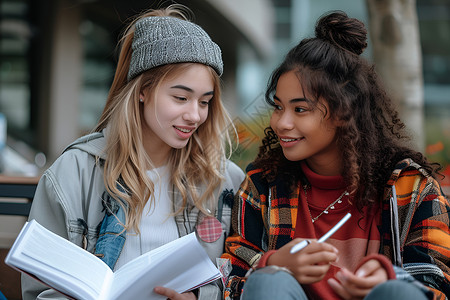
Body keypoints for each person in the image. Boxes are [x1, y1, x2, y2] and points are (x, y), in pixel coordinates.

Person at [222, 11, 450, 300]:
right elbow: (230, 276)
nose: (281, 123)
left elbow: (438, 279)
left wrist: (391, 277)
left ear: (344, 112)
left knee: (396, 292)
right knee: (269, 282)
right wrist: (274, 264)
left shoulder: (409, 186)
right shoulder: (263, 184)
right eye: (278, 107)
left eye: (300, 109)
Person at [22, 5, 245, 300]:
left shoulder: (223, 180)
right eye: (181, 97)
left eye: (204, 102)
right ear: (143, 90)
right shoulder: (74, 172)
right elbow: (41, 289)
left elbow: (238, 278)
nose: (195, 115)